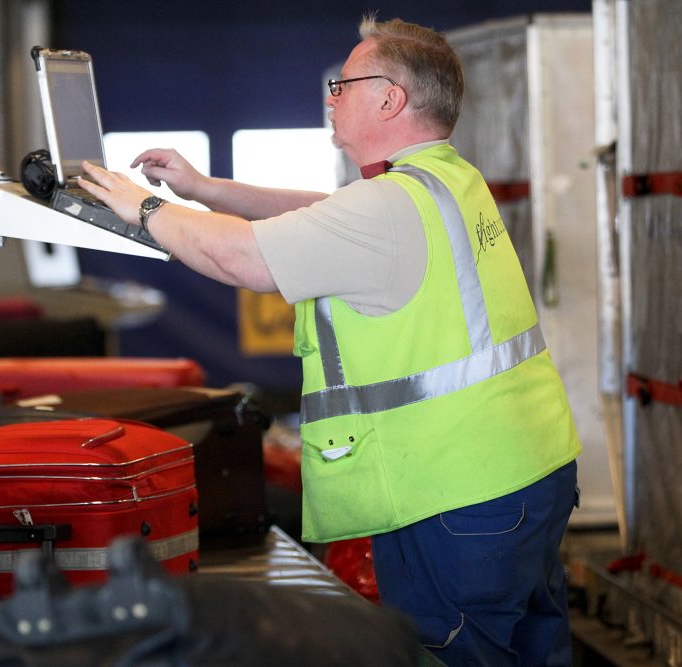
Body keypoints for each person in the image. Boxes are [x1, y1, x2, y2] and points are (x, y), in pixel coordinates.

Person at [78, 15, 582, 665]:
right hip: (526, 472)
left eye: (344, 84)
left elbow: (242, 259)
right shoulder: (443, 180)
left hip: (457, 495)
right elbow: (322, 210)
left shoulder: (387, 206)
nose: (331, 97)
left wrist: (139, 206)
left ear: (390, 99)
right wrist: (203, 190)